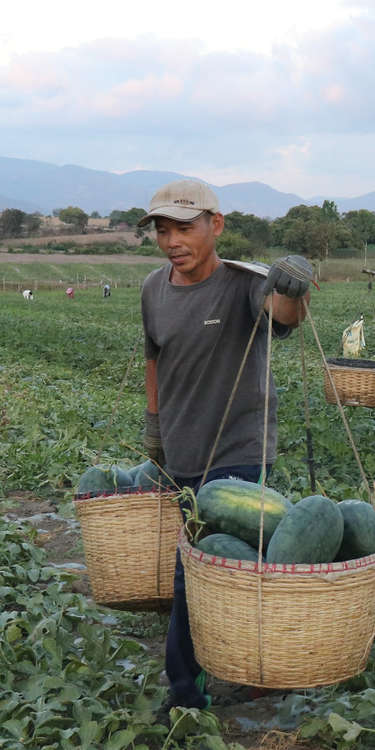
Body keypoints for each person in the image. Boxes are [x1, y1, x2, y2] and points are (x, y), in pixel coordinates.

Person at [139, 178, 315, 716]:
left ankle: (185, 690)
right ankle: (253, 665)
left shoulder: (244, 283)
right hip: (182, 445)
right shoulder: (153, 288)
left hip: (241, 446)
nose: (172, 241)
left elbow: (285, 317)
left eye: (184, 228)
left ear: (215, 225)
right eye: (162, 230)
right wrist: (153, 428)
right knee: (226, 564)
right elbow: (154, 359)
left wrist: (294, 285)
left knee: (194, 565)